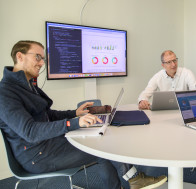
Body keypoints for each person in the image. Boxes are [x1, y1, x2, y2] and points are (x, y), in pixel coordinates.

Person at [0, 40, 167, 189]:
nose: (42, 63)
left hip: (47, 145)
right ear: (20, 56)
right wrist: (73, 123)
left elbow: (47, 114)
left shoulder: (27, 85)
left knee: (101, 139)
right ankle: (135, 179)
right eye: (38, 57)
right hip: (36, 157)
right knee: (101, 148)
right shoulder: (6, 92)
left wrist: (75, 113)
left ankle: (131, 180)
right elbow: (30, 132)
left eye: (43, 58)